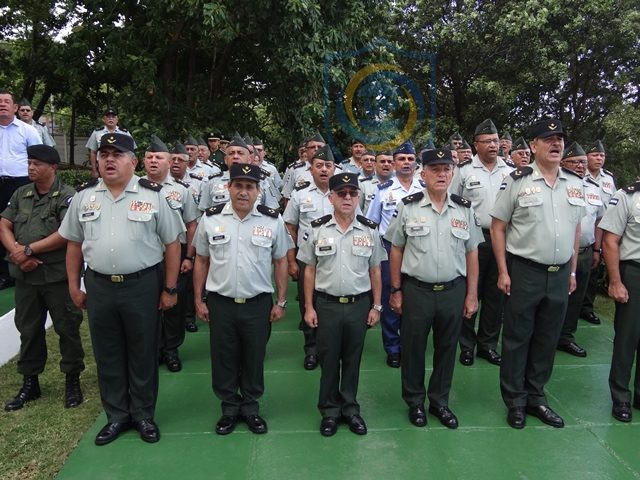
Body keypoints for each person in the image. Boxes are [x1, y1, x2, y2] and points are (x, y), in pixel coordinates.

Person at [60, 132, 184, 446]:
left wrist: (170, 288)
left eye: (117, 155)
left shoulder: (153, 195)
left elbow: (172, 244)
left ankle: (143, 415)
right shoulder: (84, 196)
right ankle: (116, 415)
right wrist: (73, 285)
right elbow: (73, 244)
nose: (109, 160)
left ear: (132, 161)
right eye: (104, 155)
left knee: (143, 352)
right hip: (100, 286)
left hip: (142, 285)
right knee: (108, 352)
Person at [490, 118, 584, 429]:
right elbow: (498, 227)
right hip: (525, 271)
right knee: (517, 337)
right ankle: (515, 401)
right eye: (548, 139)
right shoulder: (517, 181)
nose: (556, 144)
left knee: (547, 337)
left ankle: (536, 396)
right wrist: (503, 271)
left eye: (560, 139)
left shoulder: (574, 183)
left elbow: (575, 228)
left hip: (560, 274)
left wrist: (572, 271)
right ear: (533, 146)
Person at [386, 148, 482, 429]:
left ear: (452, 174)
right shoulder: (408, 206)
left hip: (453, 290)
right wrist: (396, 289)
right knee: (413, 348)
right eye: (435, 169)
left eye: (446, 169)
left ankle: (440, 401)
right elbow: (396, 249)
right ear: (423, 174)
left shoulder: (464, 209)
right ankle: (415, 401)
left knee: (447, 348)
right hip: (417, 291)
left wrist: (472, 294)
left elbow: (472, 253)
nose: (441, 174)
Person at [192, 163, 290, 436]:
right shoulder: (210, 218)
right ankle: (229, 408)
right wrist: (198, 299)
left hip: (257, 303)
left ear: (258, 191)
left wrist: (281, 301)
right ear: (229, 187)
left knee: (254, 356)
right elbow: (201, 260)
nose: (243, 192)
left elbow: (281, 261)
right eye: (238, 186)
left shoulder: (273, 220)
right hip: (221, 302)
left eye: (249, 187)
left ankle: (250, 407)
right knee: (223, 357)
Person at [298, 172, 385, 436]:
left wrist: (376, 306)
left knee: (352, 358)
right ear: (331, 197)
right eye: (342, 193)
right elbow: (309, 270)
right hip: (327, 305)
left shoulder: (369, 229)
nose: (347, 198)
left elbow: (375, 270)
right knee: (328, 359)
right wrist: (309, 307)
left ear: (358, 197)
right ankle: (329, 411)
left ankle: (350, 408)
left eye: (352, 193)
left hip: (359, 304)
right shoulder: (318, 228)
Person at [0, 145, 84, 411]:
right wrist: (17, 254)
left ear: (53, 167)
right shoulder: (21, 193)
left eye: (37, 164)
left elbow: (65, 233)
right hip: (26, 277)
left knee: (67, 328)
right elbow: (4, 224)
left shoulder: (67, 195)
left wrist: (28, 250)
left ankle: (72, 379)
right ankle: (30, 382)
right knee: (28, 329)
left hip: (56, 276)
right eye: (29, 163)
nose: (31, 168)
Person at [451, 118, 514, 367]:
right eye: (487, 141)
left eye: (495, 141)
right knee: (470, 291)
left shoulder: (510, 171)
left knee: (496, 295)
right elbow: (452, 204)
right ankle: (466, 345)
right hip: (471, 241)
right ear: (476, 144)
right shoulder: (464, 170)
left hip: (502, 239)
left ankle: (488, 345)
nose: (493, 145)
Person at [366, 140, 426, 368]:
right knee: (391, 297)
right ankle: (393, 347)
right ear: (393, 163)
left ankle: (411, 344)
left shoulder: (425, 188)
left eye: (410, 159)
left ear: (416, 163)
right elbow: (372, 223)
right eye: (401, 159)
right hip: (390, 249)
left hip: (419, 248)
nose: (406, 162)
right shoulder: (384, 190)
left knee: (416, 296)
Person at [143, 136, 200, 371]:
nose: (153, 161)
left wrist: (189, 256)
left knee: (174, 304)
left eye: (159, 157)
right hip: (145, 256)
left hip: (175, 255)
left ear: (169, 163)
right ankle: (153, 349)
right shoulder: (134, 188)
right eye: (149, 157)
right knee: (147, 305)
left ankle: (171, 349)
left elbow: (192, 224)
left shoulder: (181, 191)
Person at [283, 145, 336, 370]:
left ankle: (331, 349)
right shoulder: (300, 194)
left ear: (334, 169)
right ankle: (311, 349)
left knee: (333, 305)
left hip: (337, 260)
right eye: (319, 166)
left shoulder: (344, 192)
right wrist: (292, 260)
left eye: (328, 166)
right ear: (311, 169)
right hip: (308, 259)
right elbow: (289, 227)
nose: (324, 169)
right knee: (309, 304)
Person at [557, 142, 604, 358]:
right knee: (557, 298)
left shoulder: (593, 188)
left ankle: (566, 337)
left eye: (583, 162)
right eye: (574, 162)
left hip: (585, 251)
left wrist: (596, 250)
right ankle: (548, 336)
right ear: (563, 163)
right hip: (562, 251)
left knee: (576, 298)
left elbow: (599, 221)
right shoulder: (559, 184)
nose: (580, 166)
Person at [599, 179, 640, 422]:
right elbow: (610, 241)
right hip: (634, 272)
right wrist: (615, 281)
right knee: (627, 337)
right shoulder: (628, 196)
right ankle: (621, 396)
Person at [0, 90, 42, 290]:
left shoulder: (27, 131)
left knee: (20, 225)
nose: (2, 104)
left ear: (15, 107)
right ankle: (3, 272)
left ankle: (21, 265)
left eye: (6, 101)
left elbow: (39, 158)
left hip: (21, 184)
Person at [581, 140, 616, 325]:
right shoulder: (578, 175)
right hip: (584, 229)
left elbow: (613, 206)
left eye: (602, 155)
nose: (599, 158)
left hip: (603, 229)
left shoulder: (608, 179)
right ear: (587, 157)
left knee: (593, 272)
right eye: (595, 155)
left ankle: (586, 307)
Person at [84, 107, 134, 178]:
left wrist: (130, 168)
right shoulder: (97, 133)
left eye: (113, 117)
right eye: (108, 117)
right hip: (102, 166)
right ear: (104, 119)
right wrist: (94, 170)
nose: (111, 119)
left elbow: (131, 152)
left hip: (121, 166)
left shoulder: (125, 133)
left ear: (117, 119)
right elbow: (93, 152)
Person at [359, 150, 394, 214]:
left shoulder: (399, 184)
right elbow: (357, 211)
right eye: (382, 161)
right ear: (375, 164)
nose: (386, 164)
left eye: (389, 162)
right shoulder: (364, 185)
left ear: (394, 165)